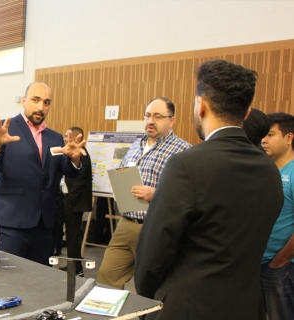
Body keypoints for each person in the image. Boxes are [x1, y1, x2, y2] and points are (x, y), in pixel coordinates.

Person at [134, 59, 284, 320]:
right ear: (247, 112)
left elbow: (152, 255)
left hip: (188, 306)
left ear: (200, 105)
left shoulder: (187, 164)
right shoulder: (270, 171)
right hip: (247, 307)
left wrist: (150, 296)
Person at [0, 81, 85, 265]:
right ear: (24, 100)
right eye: (36, 100)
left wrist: (75, 159)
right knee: (7, 281)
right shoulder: (4, 129)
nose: (41, 107)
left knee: (38, 283)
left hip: (43, 227)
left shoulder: (55, 137)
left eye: (47, 102)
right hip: (9, 224)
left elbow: (69, 172)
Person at [97, 97, 191, 288]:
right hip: (125, 223)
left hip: (155, 226)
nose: (150, 121)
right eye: (148, 115)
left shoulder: (183, 150)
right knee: (107, 275)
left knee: (150, 285)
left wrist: (155, 195)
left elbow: (187, 196)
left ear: (171, 120)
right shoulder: (135, 145)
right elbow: (123, 172)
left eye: (157, 116)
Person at [260, 112, 294, 320]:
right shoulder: (266, 170)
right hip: (257, 263)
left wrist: (280, 262)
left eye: (271, 134)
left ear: (289, 138)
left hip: (281, 268)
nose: (263, 140)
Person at [62, 126, 93, 277]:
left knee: (73, 237)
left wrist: (70, 201)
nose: (65, 139)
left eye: (67, 136)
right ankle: (72, 266)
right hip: (69, 200)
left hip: (74, 202)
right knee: (70, 236)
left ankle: (76, 269)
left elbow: (80, 180)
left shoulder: (83, 154)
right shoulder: (71, 154)